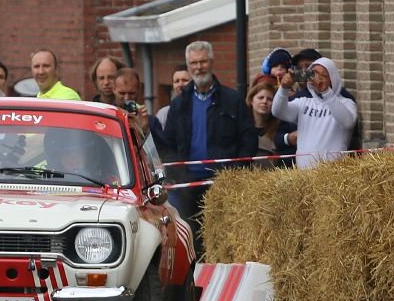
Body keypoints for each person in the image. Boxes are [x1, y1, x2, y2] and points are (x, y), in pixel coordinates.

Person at [159, 40, 256, 256]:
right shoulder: (179, 103)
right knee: (191, 241)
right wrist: (176, 176)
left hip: (221, 183)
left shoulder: (232, 100)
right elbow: (169, 143)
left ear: (211, 63)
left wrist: (237, 173)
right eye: (193, 63)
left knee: (223, 242)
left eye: (203, 61)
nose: (198, 67)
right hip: (187, 186)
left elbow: (248, 139)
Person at [273, 56, 359, 168]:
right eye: (313, 73)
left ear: (332, 78)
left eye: (323, 75)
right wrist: (284, 88)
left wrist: (326, 92)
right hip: (303, 175)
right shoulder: (303, 102)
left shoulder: (346, 103)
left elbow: (348, 122)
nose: (317, 78)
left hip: (333, 174)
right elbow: (277, 111)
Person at [113, 68, 163, 172]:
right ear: (114, 89)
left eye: (131, 93)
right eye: (122, 93)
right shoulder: (107, 119)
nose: (127, 98)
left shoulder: (151, 121)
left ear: (139, 90)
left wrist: (144, 130)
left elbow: (159, 156)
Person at [246, 78, 293, 165]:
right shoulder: (243, 127)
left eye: (269, 99)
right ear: (251, 100)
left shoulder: (281, 128)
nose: (264, 101)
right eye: (260, 98)